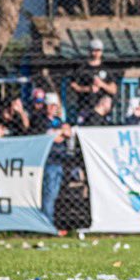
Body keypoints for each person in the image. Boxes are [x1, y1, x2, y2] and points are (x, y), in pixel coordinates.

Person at [35, 94, 72, 225]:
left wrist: (60, 132)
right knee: (49, 194)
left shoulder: (58, 121)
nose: (53, 108)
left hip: (59, 161)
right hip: (49, 161)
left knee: (55, 194)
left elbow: (68, 133)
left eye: (55, 106)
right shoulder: (41, 120)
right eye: (50, 105)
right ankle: (47, 223)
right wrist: (60, 133)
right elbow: (53, 138)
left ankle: (50, 221)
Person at [70, 38, 117, 117]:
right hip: (85, 106)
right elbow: (73, 85)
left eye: (98, 50)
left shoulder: (106, 69)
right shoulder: (82, 69)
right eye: (93, 50)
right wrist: (88, 89)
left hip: (102, 109)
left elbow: (113, 90)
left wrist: (102, 84)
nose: (95, 53)